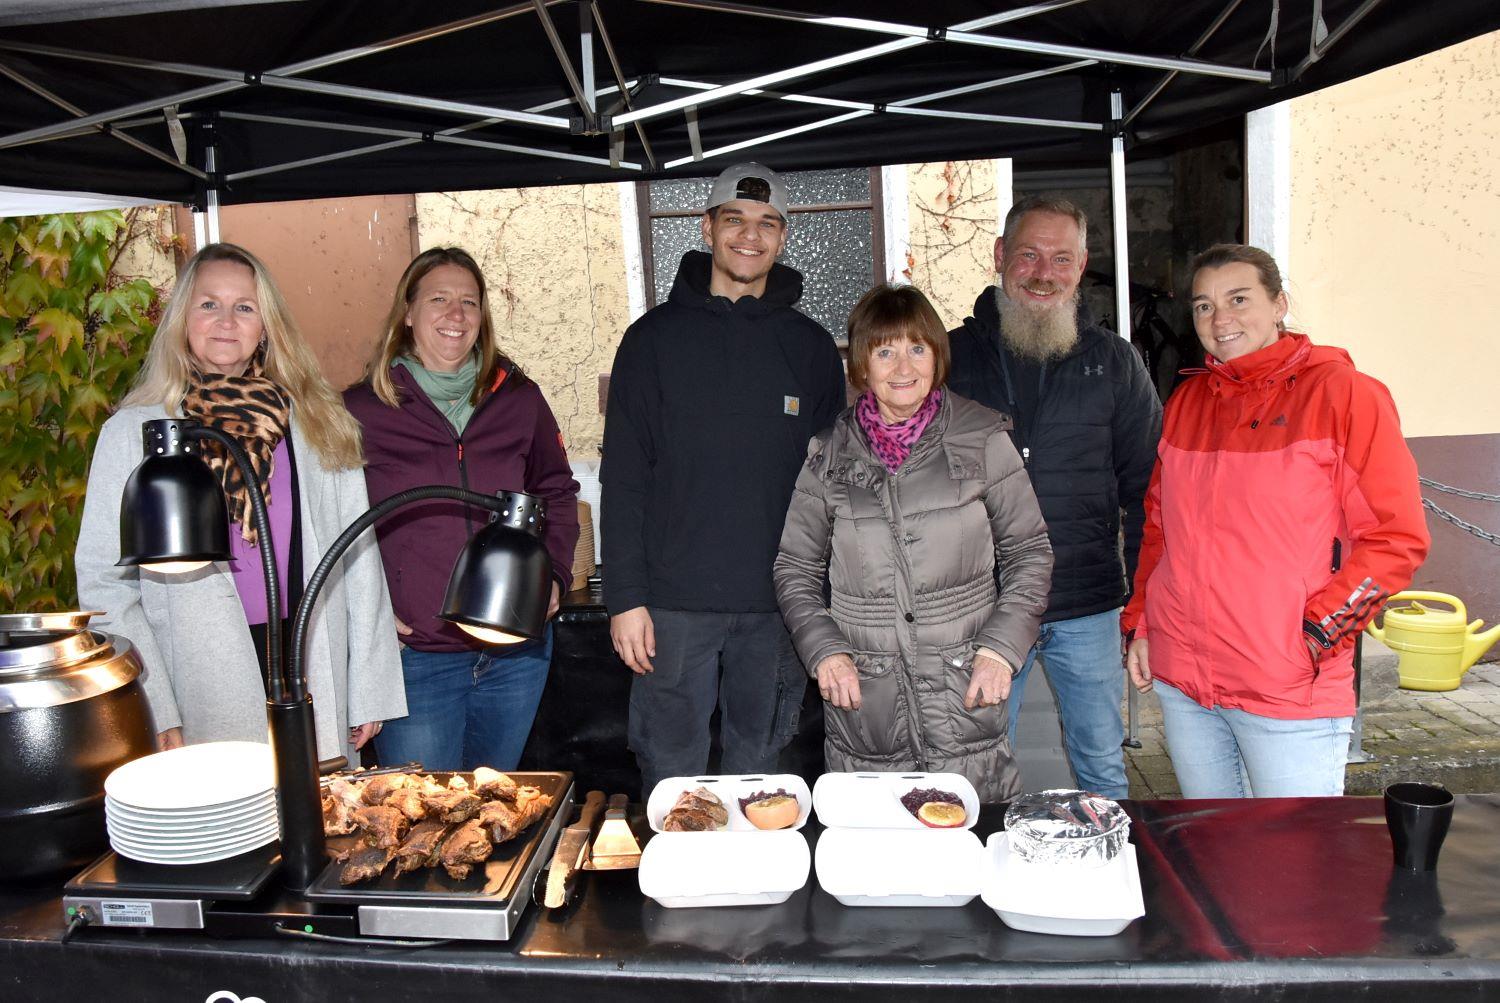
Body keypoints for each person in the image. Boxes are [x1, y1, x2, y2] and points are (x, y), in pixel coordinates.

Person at [76, 242, 405, 759]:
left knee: (322, 825)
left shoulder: (318, 422)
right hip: (194, 673)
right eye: (209, 304)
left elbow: (358, 560)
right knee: (230, 827)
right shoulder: (132, 435)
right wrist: (154, 703)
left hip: (307, 657)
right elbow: (104, 587)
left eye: (245, 307)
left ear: (266, 325)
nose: (226, 320)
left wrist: (368, 688)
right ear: (183, 318)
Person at [1123, 244, 1429, 798]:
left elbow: (1396, 539)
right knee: (1211, 851)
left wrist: (1319, 633)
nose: (1221, 319)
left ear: (1279, 302)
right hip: (1188, 684)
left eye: (1239, 299)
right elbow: (1159, 529)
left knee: (1293, 867)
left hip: (1288, 686)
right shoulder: (1189, 401)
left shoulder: (1345, 396)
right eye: (1204, 307)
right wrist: (1143, 624)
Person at [602, 162, 847, 799]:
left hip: (779, 607)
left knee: (763, 776)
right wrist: (626, 598)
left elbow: (831, 486)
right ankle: (681, 896)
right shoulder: (651, 342)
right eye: (734, 220)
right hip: (672, 607)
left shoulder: (813, 348)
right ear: (707, 227)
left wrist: (822, 595)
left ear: (783, 237)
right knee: (671, 776)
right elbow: (624, 478)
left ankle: (756, 895)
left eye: (767, 224)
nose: (750, 236)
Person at [774, 285, 1053, 801]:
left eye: (917, 348)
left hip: (962, 693)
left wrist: (999, 650)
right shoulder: (828, 455)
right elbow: (795, 568)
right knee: (880, 867)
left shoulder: (984, 437)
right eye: (885, 351)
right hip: (869, 705)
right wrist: (825, 652)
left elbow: (1029, 552)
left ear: (937, 356)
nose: (903, 367)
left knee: (971, 856)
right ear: (861, 365)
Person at [947, 195, 1161, 800]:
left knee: (1100, 762)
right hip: (982, 605)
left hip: (1087, 601)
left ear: (1083, 264)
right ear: (1000, 257)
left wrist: (1141, 604)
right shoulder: (948, 358)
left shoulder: (1116, 362)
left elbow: (1148, 490)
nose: (1045, 273)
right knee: (979, 763)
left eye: (1061, 258)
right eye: (1030, 255)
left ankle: (1110, 878)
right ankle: (983, 880)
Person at [344, 247, 579, 772]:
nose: (456, 315)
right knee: (422, 824)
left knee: (495, 815)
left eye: (469, 302)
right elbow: (330, 527)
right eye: (439, 300)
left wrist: (557, 578)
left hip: (515, 655)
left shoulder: (519, 399)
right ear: (407, 312)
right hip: (417, 660)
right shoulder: (361, 410)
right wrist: (368, 609)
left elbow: (558, 493)